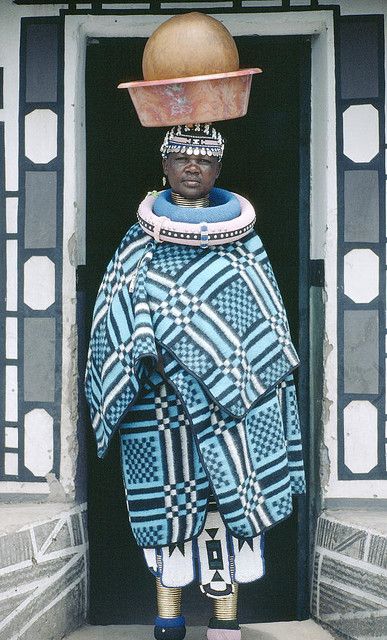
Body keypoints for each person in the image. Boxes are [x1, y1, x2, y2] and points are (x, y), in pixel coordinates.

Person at [85, 123, 305, 640]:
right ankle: (169, 622)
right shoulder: (141, 239)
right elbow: (114, 312)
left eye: (203, 160)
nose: (191, 168)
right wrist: (150, 354)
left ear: (218, 170)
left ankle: (225, 626)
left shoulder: (244, 240)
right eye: (181, 158)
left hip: (233, 412)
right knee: (169, 517)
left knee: (226, 511)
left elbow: (263, 322)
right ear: (163, 166)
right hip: (160, 403)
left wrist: (228, 370)